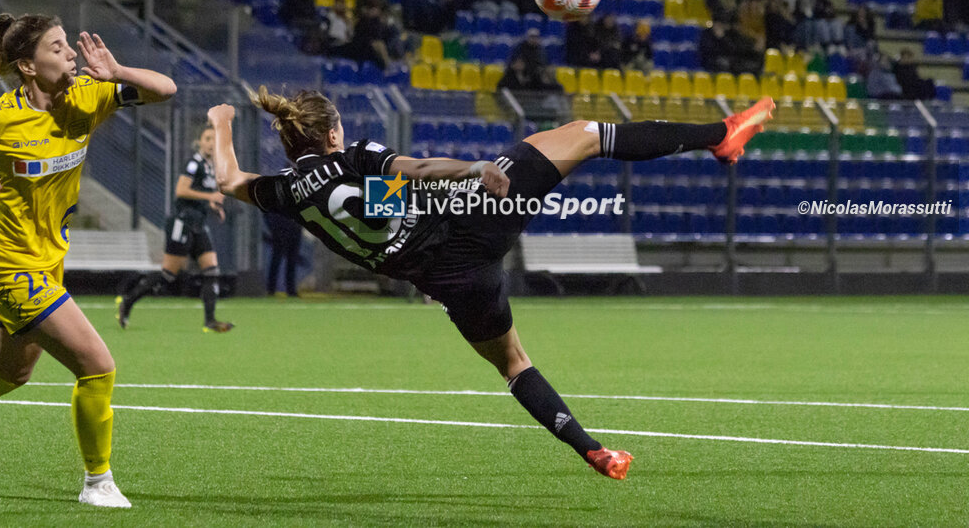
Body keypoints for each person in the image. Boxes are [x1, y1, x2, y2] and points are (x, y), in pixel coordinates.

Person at [205, 88, 776, 480]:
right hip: (474, 216)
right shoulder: (355, 156)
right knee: (583, 134)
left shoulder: (284, 191)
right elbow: (419, 170)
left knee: (514, 364)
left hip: (453, 281)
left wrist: (222, 124)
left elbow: (229, 177)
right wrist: (473, 169)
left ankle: (595, 451)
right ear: (333, 132)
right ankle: (719, 134)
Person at [0, 14, 177, 507]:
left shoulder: (86, 96)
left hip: (47, 261)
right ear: (28, 66)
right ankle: (98, 483)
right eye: (58, 47)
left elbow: (166, 88)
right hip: (8, 264)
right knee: (97, 364)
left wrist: (118, 72)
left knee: (8, 374)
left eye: (69, 44)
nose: (71, 53)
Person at [116, 125, 234, 333]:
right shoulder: (193, 164)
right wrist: (211, 197)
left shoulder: (211, 166)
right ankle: (129, 300)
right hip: (182, 223)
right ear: (200, 142)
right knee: (169, 274)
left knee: (212, 270)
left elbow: (203, 194)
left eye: (214, 140)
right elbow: (181, 191)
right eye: (207, 138)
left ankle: (210, 320)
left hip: (198, 224)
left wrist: (213, 206)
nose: (210, 143)